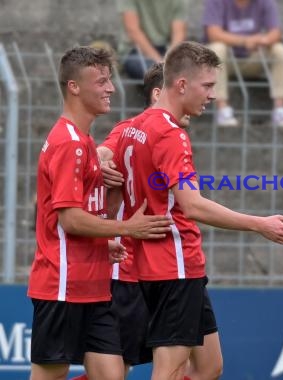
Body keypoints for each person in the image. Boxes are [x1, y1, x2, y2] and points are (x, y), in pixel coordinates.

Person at [113, 41, 283, 379]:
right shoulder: (170, 135)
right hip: (174, 267)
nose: (213, 95)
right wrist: (259, 223)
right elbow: (193, 204)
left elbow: (108, 156)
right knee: (170, 369)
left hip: (166, 266)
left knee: (209, 366)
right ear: (181, 84)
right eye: (209, 85)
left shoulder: (132, 126)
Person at [27, 46, 173, 380]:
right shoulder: (70, 143)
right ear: (74, 87)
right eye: (101, 81)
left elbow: (77, 216)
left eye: (110, 80)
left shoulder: (84, 141)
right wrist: (128, 228)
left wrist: (103, 244)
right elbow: (69, 219)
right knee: (51, 372)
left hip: (94, 286)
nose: (111, 88)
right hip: (62, 285)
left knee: (111, 374)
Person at [202, 0, 283, 127]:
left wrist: (263, 40)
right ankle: (222, 110)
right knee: (216, 48)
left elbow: (276, 32)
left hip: (254, 58)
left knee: (279, 49)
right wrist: (244, 41)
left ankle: (280, 110)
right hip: (225, 62)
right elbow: (213, 33)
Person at [117, 0, 189, 79]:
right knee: (153, 72)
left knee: (189, 68)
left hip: (166, 48)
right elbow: (133, 30)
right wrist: (159, 62)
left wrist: (168, 58)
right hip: (135, 50)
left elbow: (179, 33)